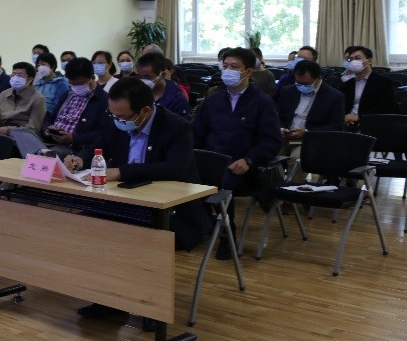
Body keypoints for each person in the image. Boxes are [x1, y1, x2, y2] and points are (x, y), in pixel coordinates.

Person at [68, 78, 210, 330]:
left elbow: (173, 169)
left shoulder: (176, 127)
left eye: (122, 116)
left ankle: (151, 305)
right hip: (127, 202)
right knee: (87, 224)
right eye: (113, 115)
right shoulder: (116, 120)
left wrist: (121, 172)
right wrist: (80, 159)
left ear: (145, 110)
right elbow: (98, 145)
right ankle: (107, 298)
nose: (117, 120)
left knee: (142, 237)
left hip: (172, 210)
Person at [192, 47, 281, 260]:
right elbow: (196, 134)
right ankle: (194, 226)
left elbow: (271, 141)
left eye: (234, 67)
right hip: (211, 160)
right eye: (225, 66)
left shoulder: (262, 102)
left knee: (222, 183)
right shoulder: (213, 101)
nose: (228, 71)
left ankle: (227, 231)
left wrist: (249, 159)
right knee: (185, 176)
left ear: (248, 72)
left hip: (242, 165)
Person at [11, 57, 109, 159]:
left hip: (72, 146)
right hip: (50, 140)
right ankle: (43, 154)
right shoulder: (68, 94)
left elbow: (103, 133)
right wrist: (47, 128)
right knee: (18, 131)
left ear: (92, 78)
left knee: (54, 152)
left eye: (79, 84)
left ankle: (42, 156)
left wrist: (74, 138)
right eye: (72, 84)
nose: (76, 87)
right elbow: (49, 117)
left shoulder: (103, 100)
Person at [277, 60, 345, 178]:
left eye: (306, 84)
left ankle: (291, 188)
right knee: (268, 153)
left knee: (296, 159)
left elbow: (336, 126)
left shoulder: (334, 96)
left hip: (312, 140)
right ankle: (273, 187)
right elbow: (277, 116)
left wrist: (307, 132)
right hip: (285, 137)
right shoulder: (287, 91)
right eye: (298, 82)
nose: (301, 86)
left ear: (318, 79)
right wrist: (281, 128)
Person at [341, 45, 397, 129]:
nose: (353, 62)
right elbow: (342, 106)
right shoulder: (347, 84)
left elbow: (387, 107)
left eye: (357, 58)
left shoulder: (384, 82)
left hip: (373, 124)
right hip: (348, 124)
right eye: (350, 59)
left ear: (369, 61)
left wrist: (360, 116)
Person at [0, 62, 46, 137]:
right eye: (14, 74)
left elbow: (33, 128)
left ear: (30, 79)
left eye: (20, 75)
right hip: (0, 133)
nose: (15, 78)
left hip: (23, 136)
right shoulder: (4, 94)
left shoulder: (38, 99)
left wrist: (9, 130)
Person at [135, 52, 190, 119]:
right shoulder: (137, 93)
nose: (143, 81)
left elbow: (180, 125)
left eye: (147, 77)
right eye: (140, 77)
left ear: (163, 75)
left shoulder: (177, 100)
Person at [34, 52, 69, 116]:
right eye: (38, 65)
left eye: (43, 64)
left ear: (52, 66)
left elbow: (57, 106)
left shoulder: (61, 83)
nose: (40, 67)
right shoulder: (37, 82)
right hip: (32, 114)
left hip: (48, 116)